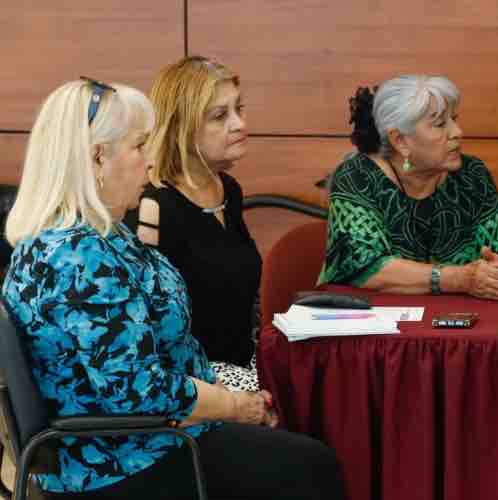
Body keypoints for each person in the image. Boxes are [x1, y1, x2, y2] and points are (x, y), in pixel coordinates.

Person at [3, 79, 344, 499]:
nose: (151, 162)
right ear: (97, 157)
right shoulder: (78, 257)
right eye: (139, 146)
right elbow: (138, 392)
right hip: (123, 460)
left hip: (143, 436)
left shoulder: (95, 237)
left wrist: (224, 397)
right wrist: (234, 405)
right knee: (313, 467)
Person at [319, 75, 498, 299]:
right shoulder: (357, 178)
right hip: (373, 315)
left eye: (454, 119)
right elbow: (364, 268)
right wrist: (457, 279)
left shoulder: (472, 175)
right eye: (440, 124)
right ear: (400, 140)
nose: (457, 132)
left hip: (460, 315)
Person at [124, 56, 261, 392]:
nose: (239, 124)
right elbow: (147, 335)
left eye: (239, 109)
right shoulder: (151, 206)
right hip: (194, 378)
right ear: (181, 127)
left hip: (247, 361)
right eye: (220, 116)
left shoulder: (229, 189)